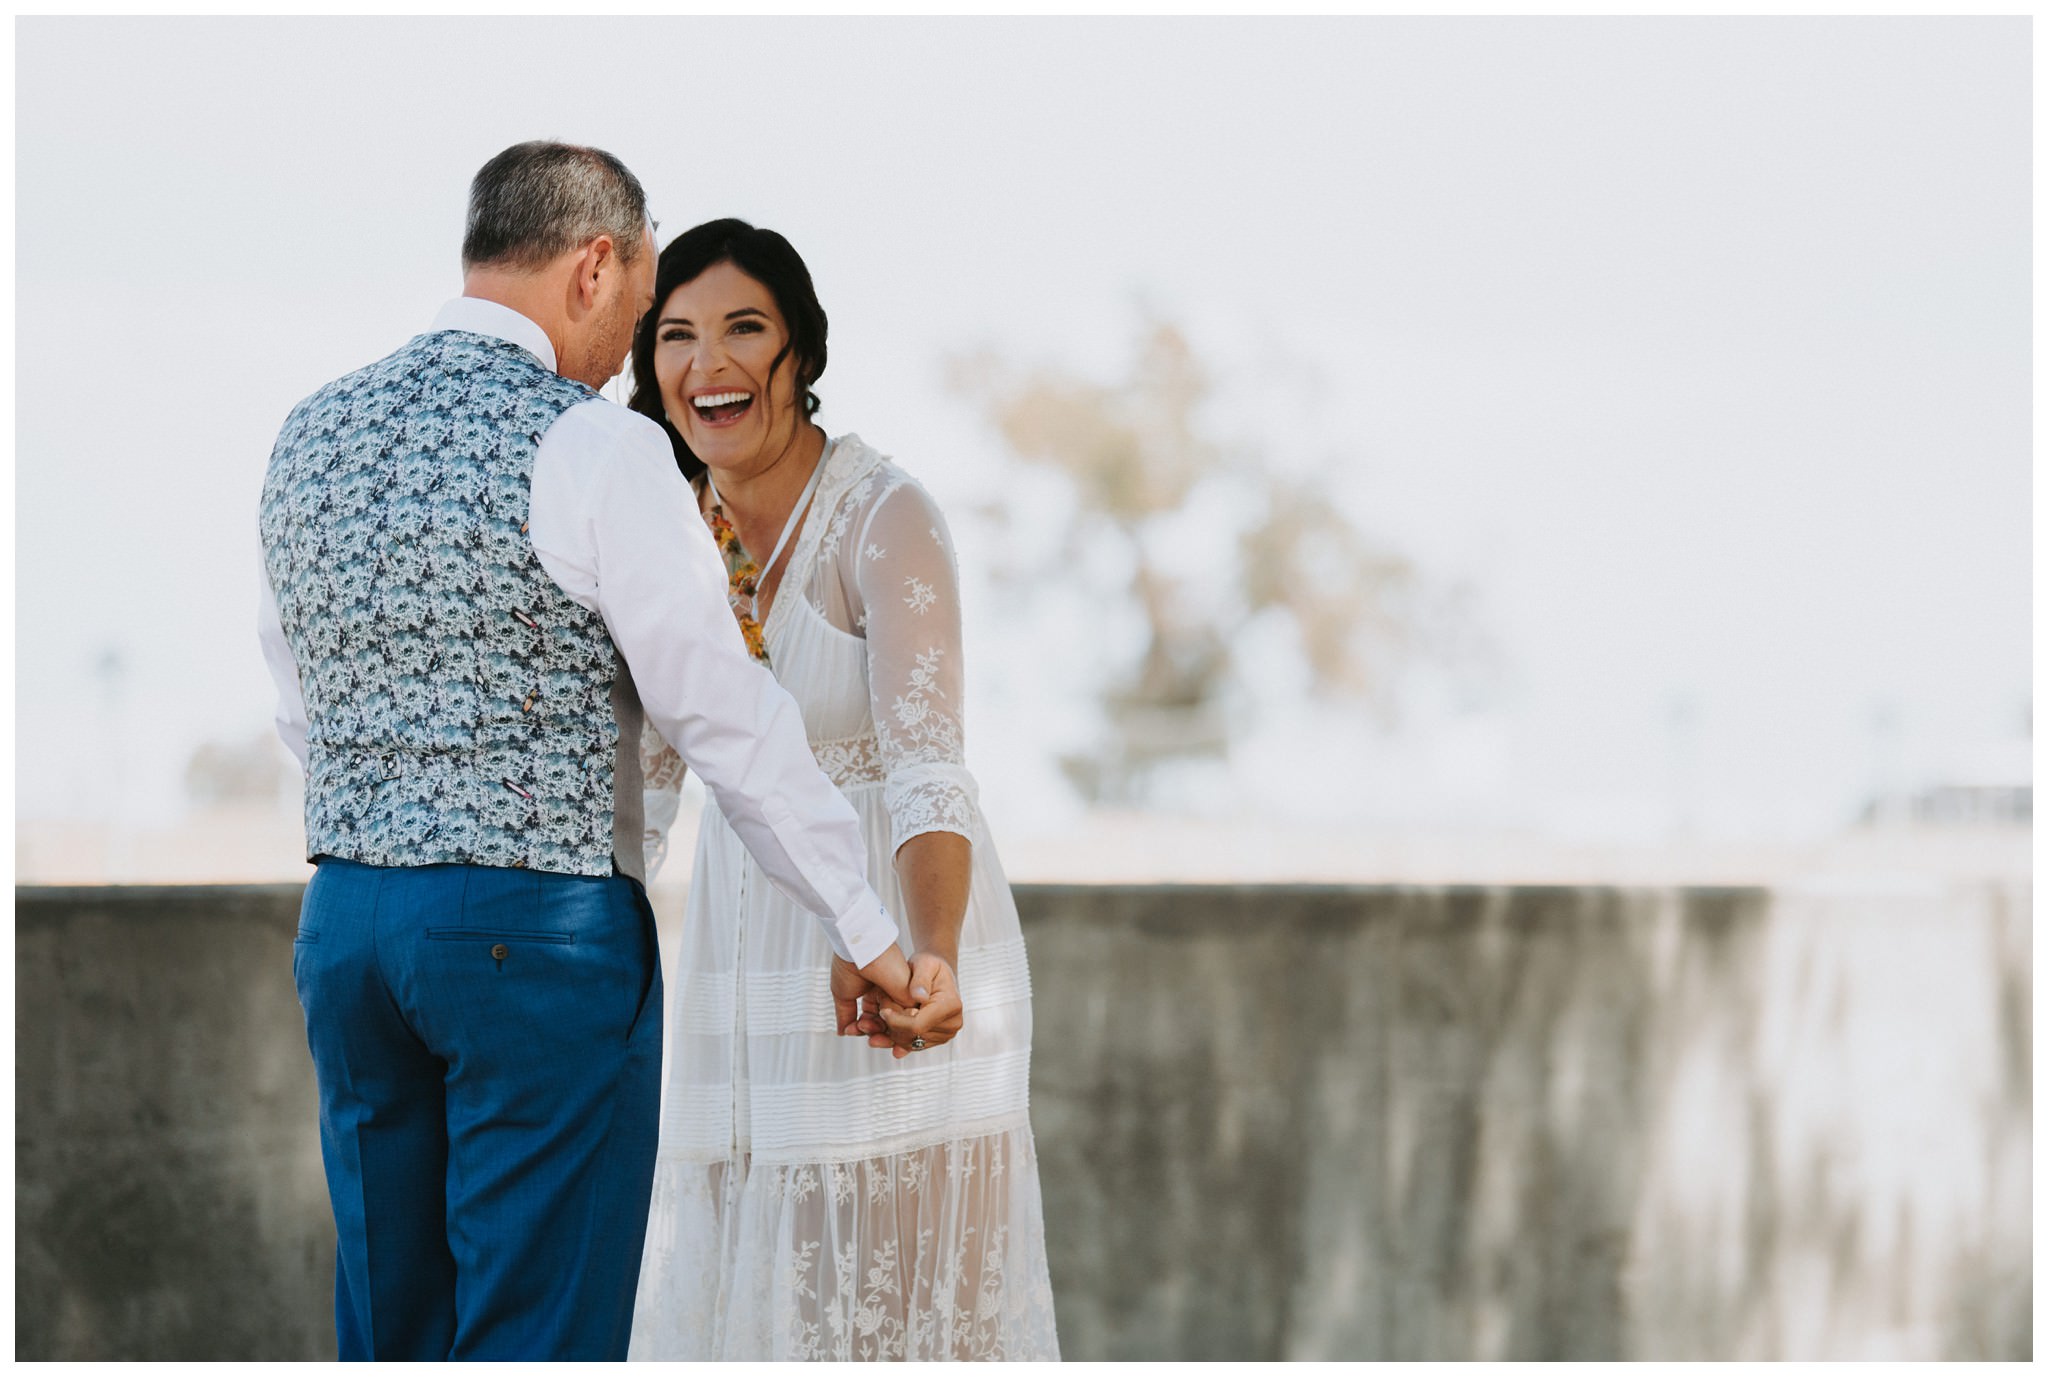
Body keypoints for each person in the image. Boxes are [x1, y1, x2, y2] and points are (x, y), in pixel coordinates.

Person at [257, 143, 934, 1361]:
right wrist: (869, 933)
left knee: (390, 1334)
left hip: (347, 928)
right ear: (594, 265)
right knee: (540, 1337)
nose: (633, 346)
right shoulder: (593, 448)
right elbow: (718, 714)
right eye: (638, 306)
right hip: (536, 935)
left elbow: (301, 704)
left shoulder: (311, 431)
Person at [624, 220, 1059, 1361]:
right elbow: (648, 790)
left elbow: (927, 767)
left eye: (742, 328)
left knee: (890, 1322)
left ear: (801, 353)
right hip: (734, 968)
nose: (706, 362)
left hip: (890, 951)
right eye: (674, 336)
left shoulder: (885, 515)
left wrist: (930, 958)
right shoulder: (666, 532)